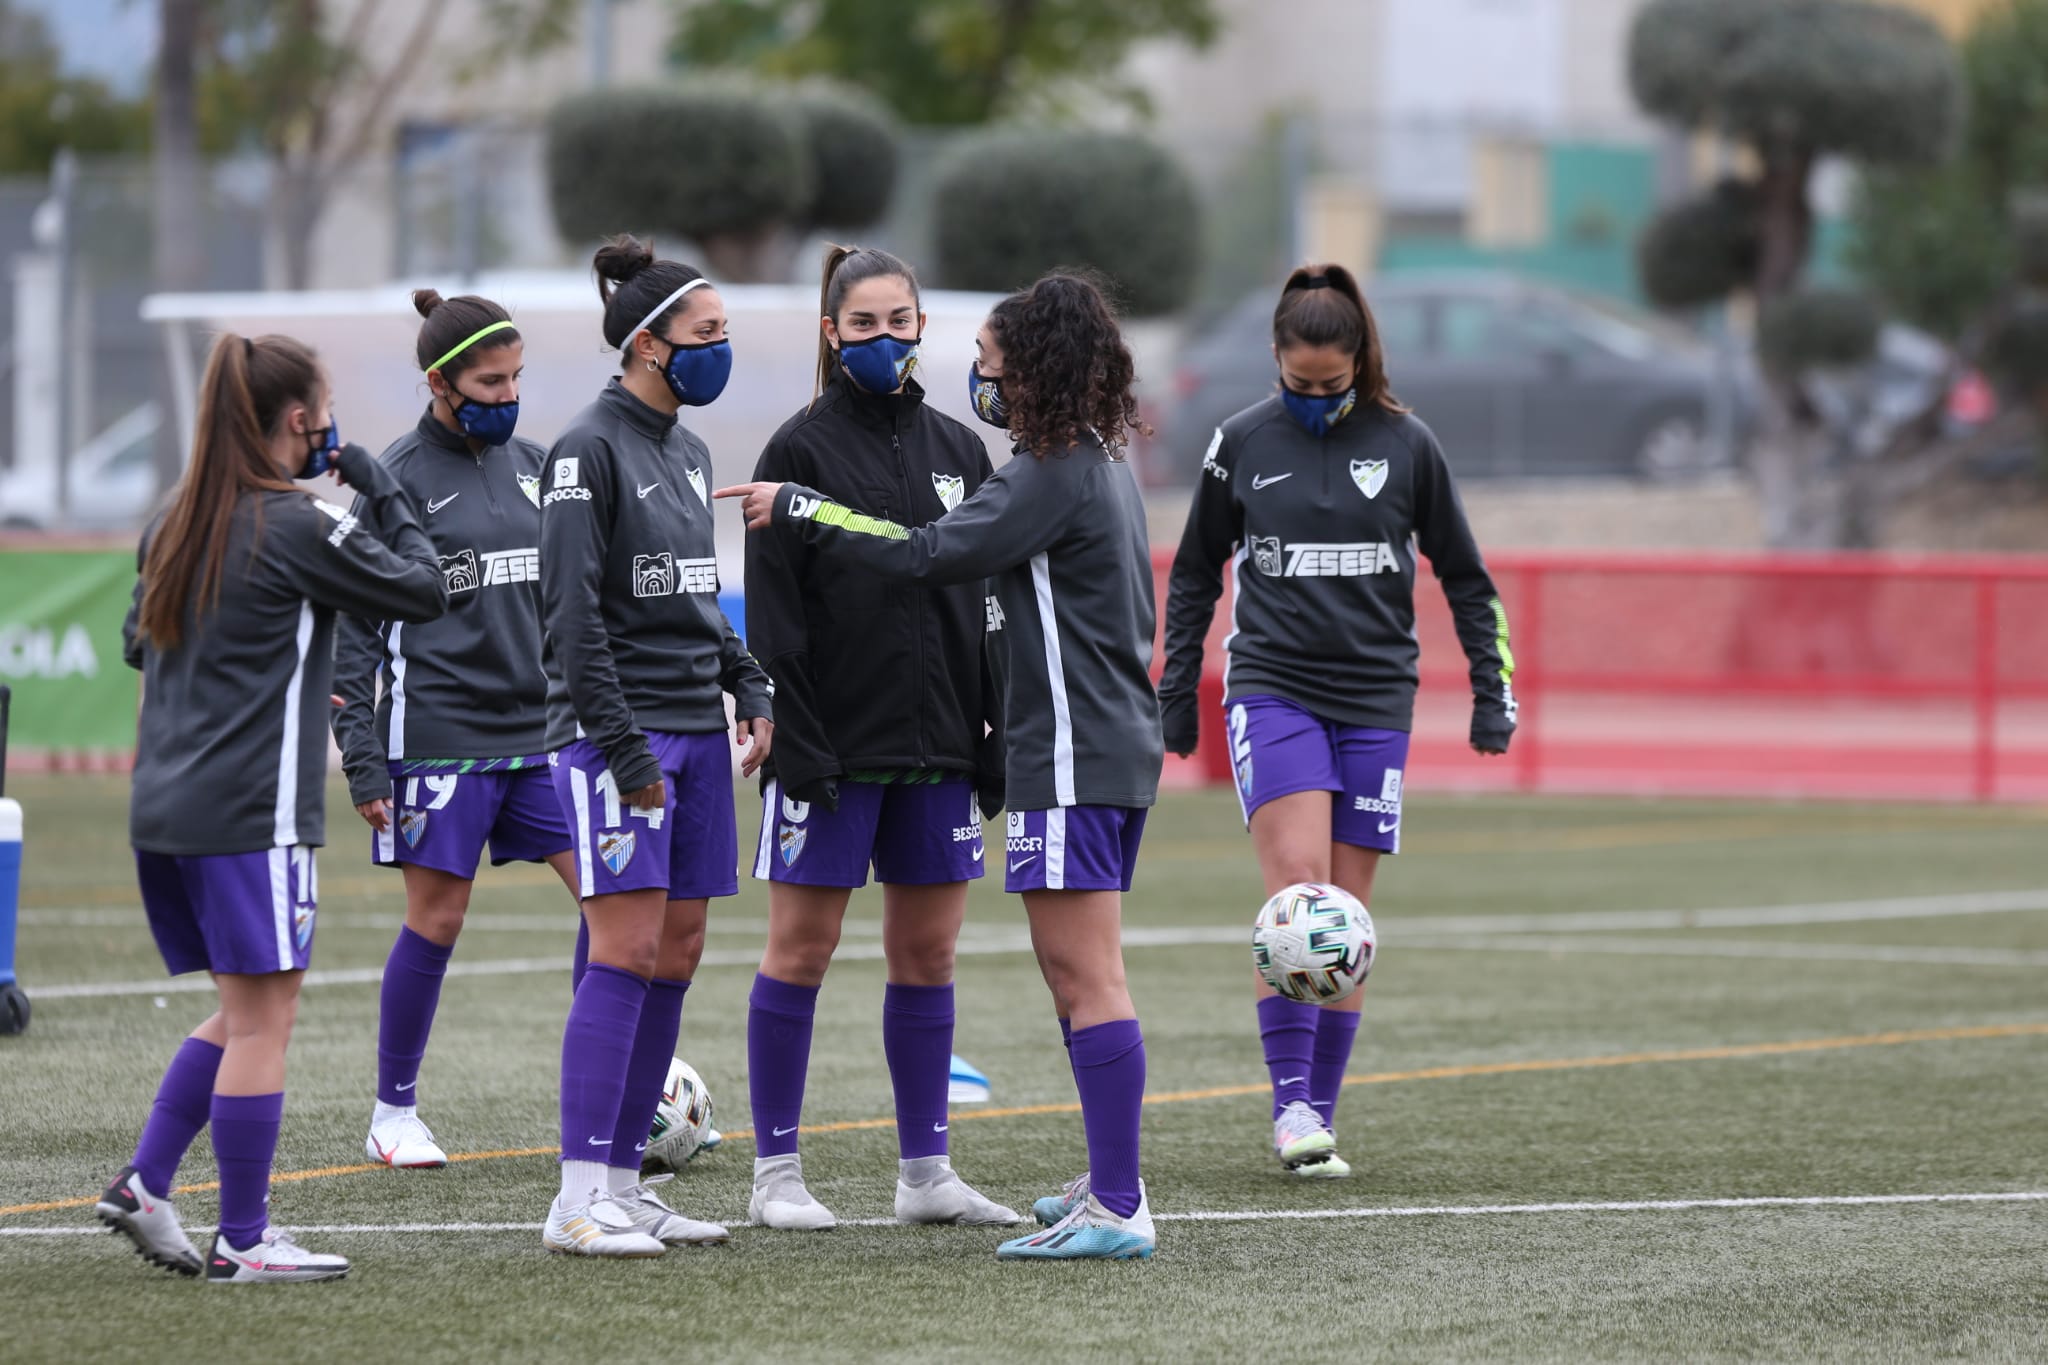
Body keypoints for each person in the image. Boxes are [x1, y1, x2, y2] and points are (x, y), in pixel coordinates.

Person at [720, 271, 1165, 1262]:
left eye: (992, 365)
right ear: (830, 332)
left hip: (1064, 753)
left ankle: (1117, 1203)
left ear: (1035, 372)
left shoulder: (1038, 471)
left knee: (1081, 974)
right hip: (1078, 747)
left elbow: (927, 556)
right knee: (1071, 973)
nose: (977, 378)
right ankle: (1097, 1185)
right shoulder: (1092, 460)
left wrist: (804, 511)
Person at [99, 332, 448, 1283]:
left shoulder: (174, 516)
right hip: (252, 812)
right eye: (325, 412)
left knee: (241, 1010)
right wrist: (376, 483)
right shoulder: (297, 521)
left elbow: (139, 643)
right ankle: (246, 1238)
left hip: (163, 808)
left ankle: (144, 1182)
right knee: (264, 1020)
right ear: (303, 422)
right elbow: (423, 587)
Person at [1158, 263, 1517, 1179]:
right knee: (1298, 897)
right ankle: (1289, 1108)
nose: (1316, 400)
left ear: (1359, 362)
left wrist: (1490, 688)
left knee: (1347, 917)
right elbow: (1198, 569)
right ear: (1276, 361)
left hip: (1374, 698)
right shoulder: (1238, 441)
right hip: (1273, 686)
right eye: (1298, 385)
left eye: (1333, 386)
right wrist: (1175, 685)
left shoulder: (1408, 443)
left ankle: (1320, 1112)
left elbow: (1466, 577)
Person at [739, 244, 1015, 1232]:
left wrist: (989, 736)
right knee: (799, 952)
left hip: (938, 745)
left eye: (900, 321)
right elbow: (770, 621)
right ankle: (775, 1174)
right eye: (864, 324)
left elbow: (983, 607)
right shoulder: (795, 453)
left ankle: (924, 1174)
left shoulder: (960, 450)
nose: (884, 339)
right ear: (830, 332)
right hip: (829, 752)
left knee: (928, 957)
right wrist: (795, 741)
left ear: (920, 327)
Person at [536, 234, 772, 1258]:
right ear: (645, 344)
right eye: (703, 335)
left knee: (675, 953)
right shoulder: (584, 451)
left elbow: (688, 598)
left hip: (694, 731)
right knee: (624, 949)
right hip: (615, 739)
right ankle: (577, 1195)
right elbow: (571, 621)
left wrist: (744, 676)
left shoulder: (689, 450)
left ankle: (626, 1185)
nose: (719, 351)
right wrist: (624, 753)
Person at [330, 290, 580, 1171]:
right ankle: (392, 1110)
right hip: (434, 735)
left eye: (516, 377)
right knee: (438, 919)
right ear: (440, 382)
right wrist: (362, 759)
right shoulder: (392, 481)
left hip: (543, 736)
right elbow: (352, 630)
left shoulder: (540, 466)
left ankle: (608, 1082)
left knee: (617, 902)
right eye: (489, 379)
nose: (508, 394)